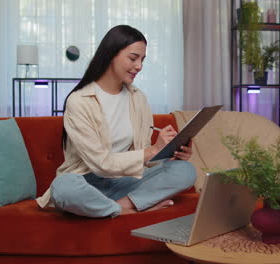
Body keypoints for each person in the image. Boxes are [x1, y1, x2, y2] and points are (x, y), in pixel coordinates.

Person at [35, 25, 196, 218]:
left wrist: (168, 153)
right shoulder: (79, 101)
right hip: (86, 183)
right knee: (63, 187)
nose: (139, 66)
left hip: (126, 182)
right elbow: (101, 163)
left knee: (184, 170)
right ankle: (128, 209)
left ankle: (117, 207)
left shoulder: (138, 98)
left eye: (142, 60)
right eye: (133, 58)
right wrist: (152, 150)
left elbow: (143, 158)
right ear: (111, 54)